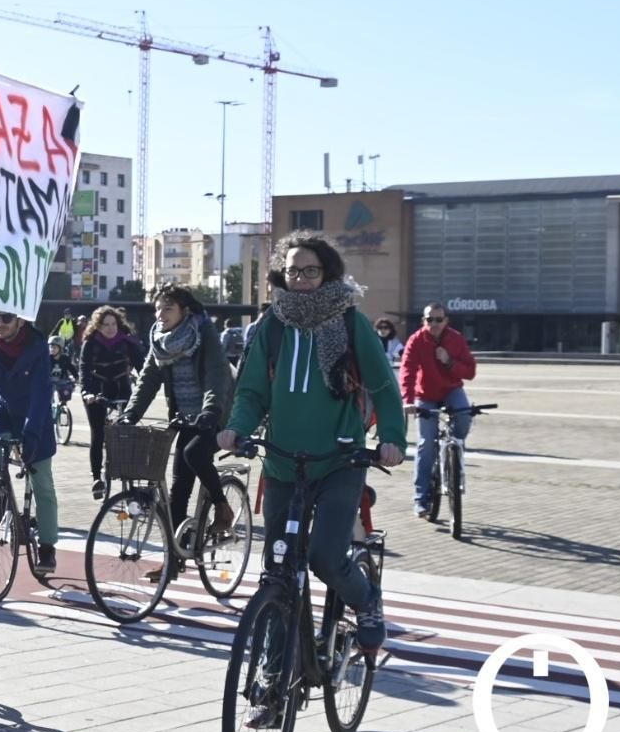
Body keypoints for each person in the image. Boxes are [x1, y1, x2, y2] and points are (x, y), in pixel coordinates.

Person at [217, 232, 406, 671]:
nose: (301, 279)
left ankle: (366, 598)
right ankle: (272, 676)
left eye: (311, 271)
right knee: (278, 568)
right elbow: (250, 392)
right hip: (284, 461)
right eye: (293, 270)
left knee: (324, 555)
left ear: (327, 274)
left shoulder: (350, 322)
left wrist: (392, 439)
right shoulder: (272, 325)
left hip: (340, 461)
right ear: (282, 274)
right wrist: (236, 429)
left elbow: (382, 385)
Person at [121, 283, 236, 546]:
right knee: (178, 487)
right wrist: (131, 414)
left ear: (184, 310)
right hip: (185, 417)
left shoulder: (204, 332)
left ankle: (222, 506)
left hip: (216, 413)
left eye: (168, 308)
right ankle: (174, 553)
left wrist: (211, 410)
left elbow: (216, 375)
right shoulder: (159, 340)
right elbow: (148, 379)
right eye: (158, 309)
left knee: (194, 453)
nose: (161, 314)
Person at [0, 311, 60, 573]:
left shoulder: (37, 346)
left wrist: (31, 434)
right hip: (1, 413)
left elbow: (42, 392)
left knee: (42, 481)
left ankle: (47, 547)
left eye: (6, 318)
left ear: (21, 321)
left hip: (34, 413)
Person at [399, 302, 478, 519]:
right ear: (423, 321)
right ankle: (421, 500)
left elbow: (470, 371)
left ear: (446, 321)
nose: (433, 324)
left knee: (464, 416)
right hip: (425, 395)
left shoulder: (456, 339)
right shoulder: (416, 340)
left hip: (451, 390)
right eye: (429, 319)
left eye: (438, 319)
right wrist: (408, 400)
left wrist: (449, 362)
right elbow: (407, 371)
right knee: (426, 445)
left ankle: (454, 452)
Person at [79, 305, 145, 499]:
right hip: (97, 393)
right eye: (105, 324)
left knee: (127, 434)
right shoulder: (90, 343)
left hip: (122, 390)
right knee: (98, 433)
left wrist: (144, 390)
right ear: (97, 326)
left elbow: (142, 367)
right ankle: (97, 478)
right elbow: (84, 369)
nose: (110, 328)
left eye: (113, 323)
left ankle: (130, 479)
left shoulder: (127, 341)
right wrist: (87, 392)